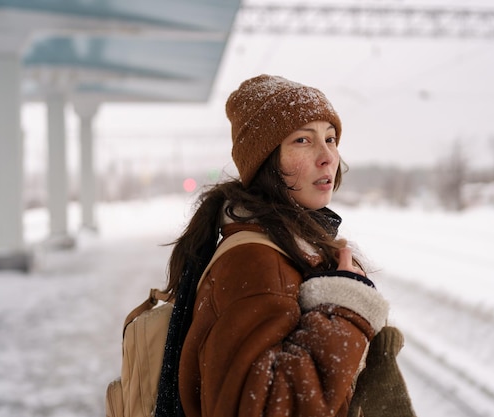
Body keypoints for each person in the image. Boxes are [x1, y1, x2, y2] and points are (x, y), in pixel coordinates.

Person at [157, 74, 390, 417]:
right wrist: (345, 311)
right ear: (266, 161)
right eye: (302, 140)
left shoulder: (284, 246)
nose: (327, 156)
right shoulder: (254, 261)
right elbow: (263, 408)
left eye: (330, 138)